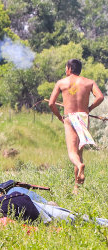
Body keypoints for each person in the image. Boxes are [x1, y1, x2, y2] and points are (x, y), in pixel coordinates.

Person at [49, 59, 104, 194]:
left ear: (69, 68)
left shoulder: (62, 83)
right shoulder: (89, 82)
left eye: (65, 68)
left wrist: (60, 117)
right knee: (79, 152)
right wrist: (89, 108)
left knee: (72, 153)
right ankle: (76, 188)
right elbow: (100, 97)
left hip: (70, 117)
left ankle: (80, 166)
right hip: (83, 117)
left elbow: (51, 103)